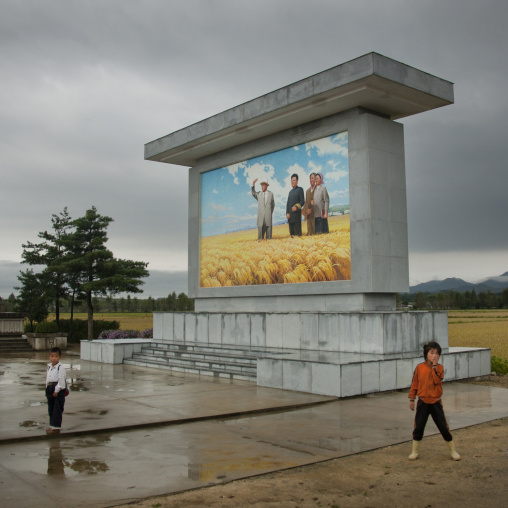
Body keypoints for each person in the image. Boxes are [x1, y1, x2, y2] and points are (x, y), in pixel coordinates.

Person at [408, 341, 461, 461]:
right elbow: (414, 384)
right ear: (426, 354)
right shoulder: (419, 368)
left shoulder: (440, 368)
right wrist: (412, 399)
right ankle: (414, 451)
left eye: (437, 353)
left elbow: (438, 380)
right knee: (419, 426)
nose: (434, 356)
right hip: (423, 402)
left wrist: (434, 367)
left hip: (436, 403)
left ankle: (453, 451)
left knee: (443, 426)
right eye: (432, 353)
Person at [45, 346, 67, 435]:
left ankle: (56, 428)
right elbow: (47, 378)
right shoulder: (49, 367)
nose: (54, 358)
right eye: (52, 356)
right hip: (50, 389)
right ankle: (52, 426)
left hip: (57, 390)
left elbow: (61, 380)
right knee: (51, 408)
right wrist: (46, 388)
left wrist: (56, 391)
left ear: (59, 357)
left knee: (57, 409)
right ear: (49, 357)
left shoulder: (60, 368)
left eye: (56, 356)